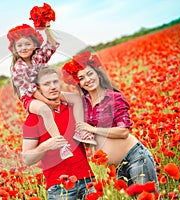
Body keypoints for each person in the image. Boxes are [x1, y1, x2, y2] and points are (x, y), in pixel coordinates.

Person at [61, 51, 160, 190]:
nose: (87, 80)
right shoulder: (84, 103)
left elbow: (123, 132)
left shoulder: (114, 98)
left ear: (98, 74)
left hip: (136, 158)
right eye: (81, 78)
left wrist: (92, 129)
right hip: (116, 168)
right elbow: (52, 94)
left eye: (90, 74)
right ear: (79, 83)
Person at [7, 23, 96, 160]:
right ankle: (62, 145)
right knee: (45, 110)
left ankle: (80, 130)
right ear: (14, 48)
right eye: (19, 45)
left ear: (34, 44)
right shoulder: (18, 67)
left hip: (46, 92)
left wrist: (46, 28)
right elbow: (31, 90)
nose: (23, 48)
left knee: (77, 98)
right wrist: (48, 102)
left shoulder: (37, 57)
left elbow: (51, 45)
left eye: (27, 44)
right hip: (31, 99)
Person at [22, 67, 95, 199]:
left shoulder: (73, 108)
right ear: (37, 89)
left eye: (55, 82)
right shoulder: (33, 119)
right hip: (59, 188)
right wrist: (46, 146)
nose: (53, 87)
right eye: (46, 84)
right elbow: (27, 159)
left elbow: (90, 144)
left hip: (87, 181)